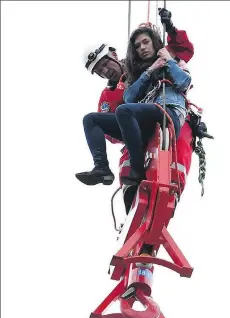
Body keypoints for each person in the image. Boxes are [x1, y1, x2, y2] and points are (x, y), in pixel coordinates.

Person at [76, 9, 195, 211]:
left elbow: (182, 53)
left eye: (105, 64)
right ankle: (109, 174)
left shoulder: (147, 61)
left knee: (175, 150)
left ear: (114, 54)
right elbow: (117, 124)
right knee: (96, 122)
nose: (106, 71)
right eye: (100, 71)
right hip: (135, 126)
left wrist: (170, 29)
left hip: (165, 112)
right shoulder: (110, 95)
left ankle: (169, 196)